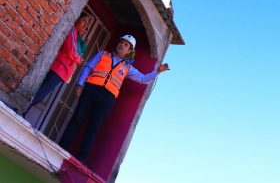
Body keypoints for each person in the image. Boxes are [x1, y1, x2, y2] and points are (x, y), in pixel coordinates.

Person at [59, 34, 169, 163]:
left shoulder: (127, 67)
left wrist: (157, 71)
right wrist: (79, 83)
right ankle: (62, 148)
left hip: (107, 98)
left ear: (129, 51)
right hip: (90, 90)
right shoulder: (102, 55)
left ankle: (81, 159)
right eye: (121, 42)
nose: (122, 45)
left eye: (126, 45)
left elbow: (143, 79)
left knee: (93, 128)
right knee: (77, 118)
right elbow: (88, 67)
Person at [22, 12, 91, 117]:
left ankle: (23, 111)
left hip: (62, 72)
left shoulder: (76, 36)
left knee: (41, 94)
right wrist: (78, 59)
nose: (85, 26)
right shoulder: (71, 31)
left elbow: (79, 51)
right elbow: (71, 51)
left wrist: (83, 45)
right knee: (40, 94)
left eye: (87, 26)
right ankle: (21, 109)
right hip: (58, 69)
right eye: (84, 21)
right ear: (77, 18)